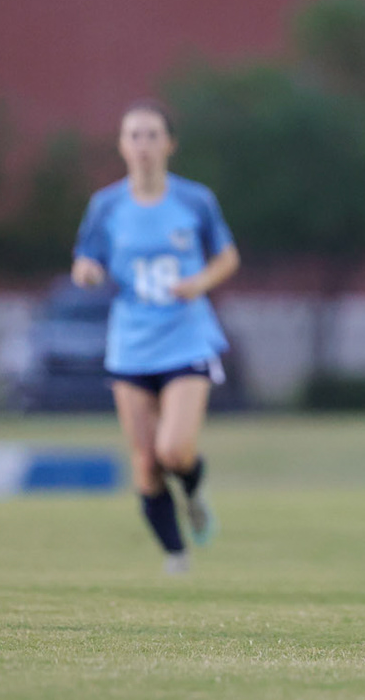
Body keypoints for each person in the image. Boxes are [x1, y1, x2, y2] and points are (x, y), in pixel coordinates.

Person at [73, 101, 241, 574]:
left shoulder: (194, 201)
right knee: (146, 464)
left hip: (186, 339)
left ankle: (193, 492)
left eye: (152, 135)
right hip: (131, 345)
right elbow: (85, 258)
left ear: (169, 144)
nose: (143, 146)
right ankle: (176, 555)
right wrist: (86, 272)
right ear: (122, 146)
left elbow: (227, 257)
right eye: (134, 136)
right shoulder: (106, 205)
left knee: (173, 451)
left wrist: (199, 283)